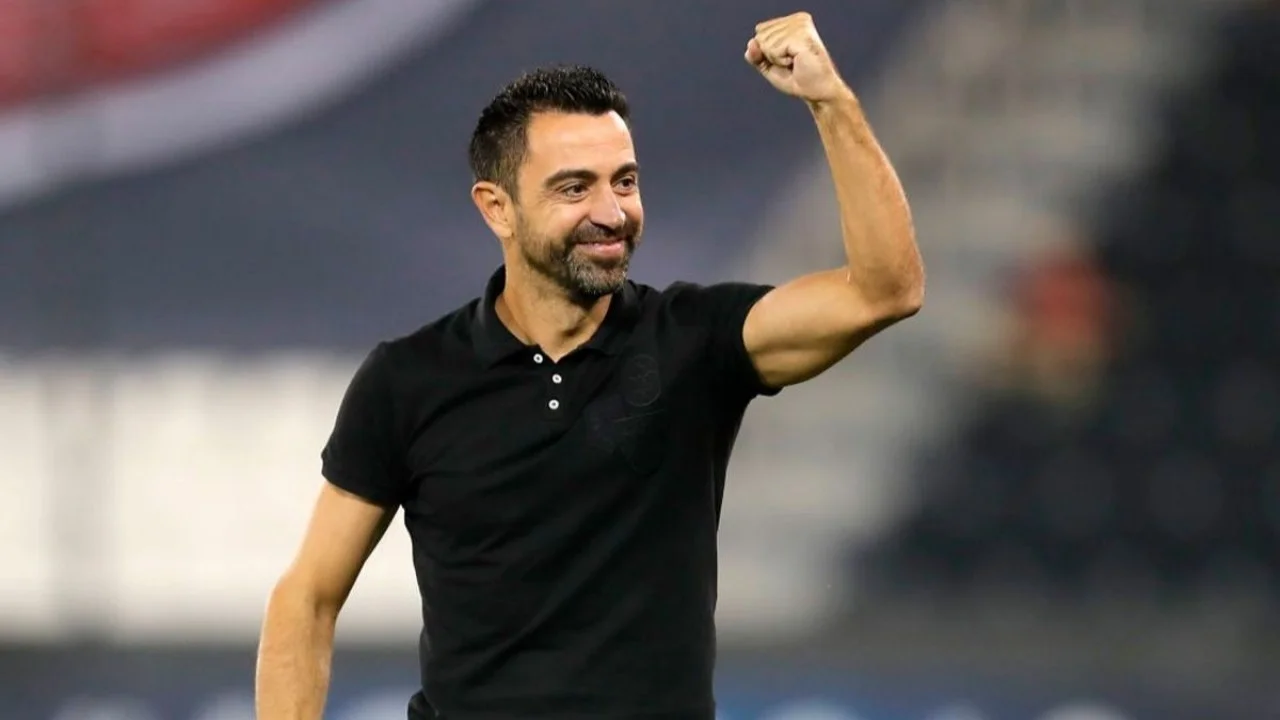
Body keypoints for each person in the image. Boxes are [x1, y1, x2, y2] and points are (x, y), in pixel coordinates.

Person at [255, 12, 923, 720]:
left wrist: (830, 100)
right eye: (574, 188)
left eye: (624, 181)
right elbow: (308, 598)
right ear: (497, 208)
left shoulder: (696, 341)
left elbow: (884, 291)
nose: (611, 212)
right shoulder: (408, 380)